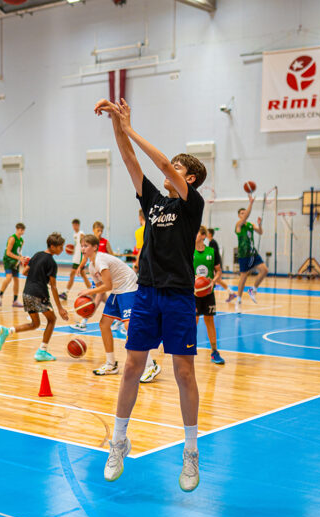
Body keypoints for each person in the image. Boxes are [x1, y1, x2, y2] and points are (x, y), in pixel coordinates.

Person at [95, 97, 206, 492]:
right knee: (130, 368)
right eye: (173, 164)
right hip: (146, 294)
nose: (170, 168)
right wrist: (116, 123)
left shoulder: (192, 204)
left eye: (178, 167)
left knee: (183, 372)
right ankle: (119, 442)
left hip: (177, 296)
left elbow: (158, 164)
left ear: (188, 178)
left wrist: (130, 128)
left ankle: (190, 452)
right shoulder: (154, 201)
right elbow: (130, 161)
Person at [0, 232, 68, 361]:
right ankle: (42, 351)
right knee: (52, 320)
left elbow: (24, 272)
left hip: (27, 292)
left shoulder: (37, 255)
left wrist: (36, 273)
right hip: (39, 293)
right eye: (60, 247)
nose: (62, 249)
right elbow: (54, 287)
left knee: (35, 324)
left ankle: (6, 331)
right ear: (52, 246)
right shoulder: (51, 263)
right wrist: (60, 308)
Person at [79, 234, 144, 376]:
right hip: (117, 289)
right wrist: (93, 308)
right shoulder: (91, 267)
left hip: (128, 285)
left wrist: (89, 290)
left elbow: (106, 286)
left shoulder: (101, 260)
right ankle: (111, 364)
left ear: (95, 247)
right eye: (82, 246)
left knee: (129, 325)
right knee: (103, 324)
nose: (83, 249)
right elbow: (101, 290)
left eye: (86, 246)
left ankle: (149, 364)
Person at [71, 221, 113, 332]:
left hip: (103, 272)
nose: (99, 232)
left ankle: (83, 323)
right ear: (93, 230)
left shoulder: (105, 242)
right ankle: (118, 316)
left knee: (95, 297)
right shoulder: (88, 243)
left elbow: (112, 255)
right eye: (97, 230)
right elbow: (85, 257)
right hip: (96, 273)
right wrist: (80, 267)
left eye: (101, 231)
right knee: (104, 299)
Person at [195, 226, 224, 364]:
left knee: (209, 321)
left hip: (208, 292)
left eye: (196, 233)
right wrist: (193, 278)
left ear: (203, 236)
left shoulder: (211, 251)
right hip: (193, 293)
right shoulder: (188, 252)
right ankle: (188, 349)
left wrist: (213, 280)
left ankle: (214, 352)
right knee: (192, 322)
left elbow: (218, 271)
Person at [235, 193, 268, 313]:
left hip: (253, 253)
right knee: (243, 277)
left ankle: (253, 289)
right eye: (242, 213)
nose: (244, 215)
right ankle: (238, 300)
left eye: (245, 213)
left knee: (264, 270)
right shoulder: (238, 225)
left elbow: (260, 232)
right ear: (239, 216)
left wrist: (259, 224)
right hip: (244, 254)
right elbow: (245, 217)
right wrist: (251, 203)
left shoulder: (250, 225)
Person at [0, 223, 26, 308]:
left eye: (23, 230)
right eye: (20, 230)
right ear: (17, 229)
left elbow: (18, 252)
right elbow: (8, 253)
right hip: (8, 260)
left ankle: (15, 301)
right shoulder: (12, 238)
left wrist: (22, 258)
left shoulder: (22, 240)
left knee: (16, 280)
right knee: (9, 278)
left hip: (15, 261)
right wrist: (18, 258)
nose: (22, 232)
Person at [60, 218, 90, 301]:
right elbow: (77, 246)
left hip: (79, 259)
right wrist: (72, 251)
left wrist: (84, 256)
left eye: (75, 225)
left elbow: (85, 244)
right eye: (73, 225)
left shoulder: (81, 234)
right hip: (76, 258)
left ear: (78, 225)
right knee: (82, 276)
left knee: (73, 274)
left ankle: (66, 292)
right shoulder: (75, 234)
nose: (74, 227)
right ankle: (91, 290)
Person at [206, 228, 236, 303]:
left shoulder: (212, 242)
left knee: (217, 280)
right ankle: (231, 293)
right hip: (216, 263)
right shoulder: (212, 242)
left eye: (207, 232)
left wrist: (213, 267)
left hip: (216, 264)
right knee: (218, 280)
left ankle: (231, 293)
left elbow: (213, 255)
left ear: (210, 234)